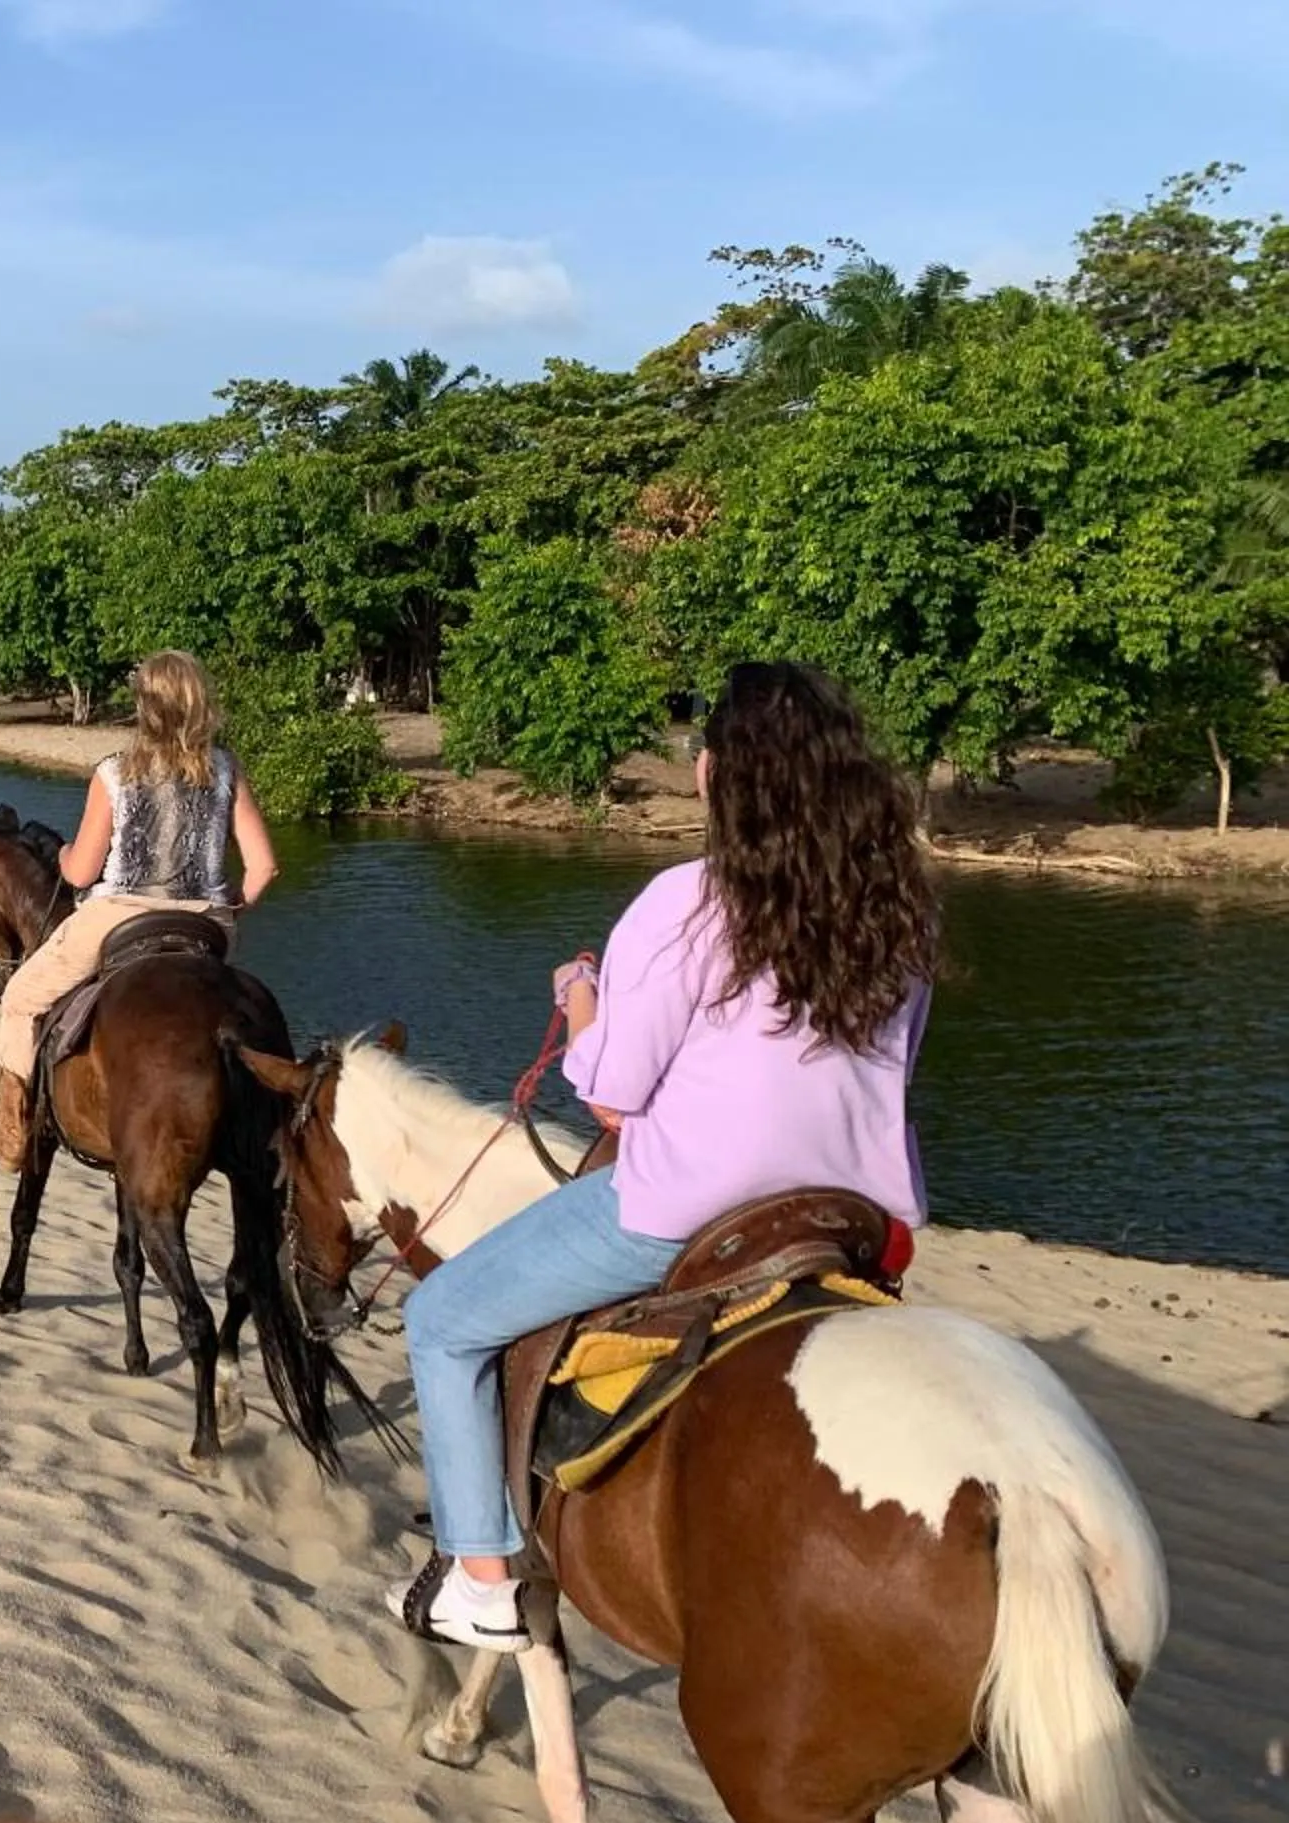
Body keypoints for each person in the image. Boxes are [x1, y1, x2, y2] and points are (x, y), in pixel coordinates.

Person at [386, 662, 938, 1651]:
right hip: (852, 1221)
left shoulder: (685, 901)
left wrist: (581, 1000)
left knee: (441, 1318)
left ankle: (479, 1580)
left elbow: (608, 1095)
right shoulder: (901, 913)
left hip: (688, 1211)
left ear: (713, 774)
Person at [0, 651, 278, 1168]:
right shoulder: (227, 769)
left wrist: (65, 855)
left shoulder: (114, 773)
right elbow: (264, 869)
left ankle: (13, 1134)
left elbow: (78, 874)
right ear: (199, 703)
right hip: (205, 922)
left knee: (20, 998)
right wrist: (234, 907)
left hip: (119, 914)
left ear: (144, 705)